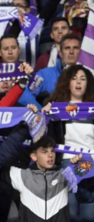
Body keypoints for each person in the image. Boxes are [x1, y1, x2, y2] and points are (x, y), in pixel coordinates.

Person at [44, 65, 94, 222]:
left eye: (83, 79)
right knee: (69, 214)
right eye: (74, 78)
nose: (78, 82)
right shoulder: (56, 106)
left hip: (91, 162)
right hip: (66, 161)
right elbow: (44, 137)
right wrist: (45, 114)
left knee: (88, 216)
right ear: (68, 83)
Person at [7, 136, 82, 221]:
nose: (50, 155)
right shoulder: (22, 175)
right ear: (34, 156)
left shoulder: (65, 175)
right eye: (44, 152)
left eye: (52, 151)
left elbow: (86, 196)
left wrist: (77, 165)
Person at [18, 33, 82, 110]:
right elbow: (25, 97)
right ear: (60, 53)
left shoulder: (90, 75)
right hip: (54, 121)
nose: (71, 51)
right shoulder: (43, 75)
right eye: (67, 48)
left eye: (75, 48)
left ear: (81, 52)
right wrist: (42, 112)